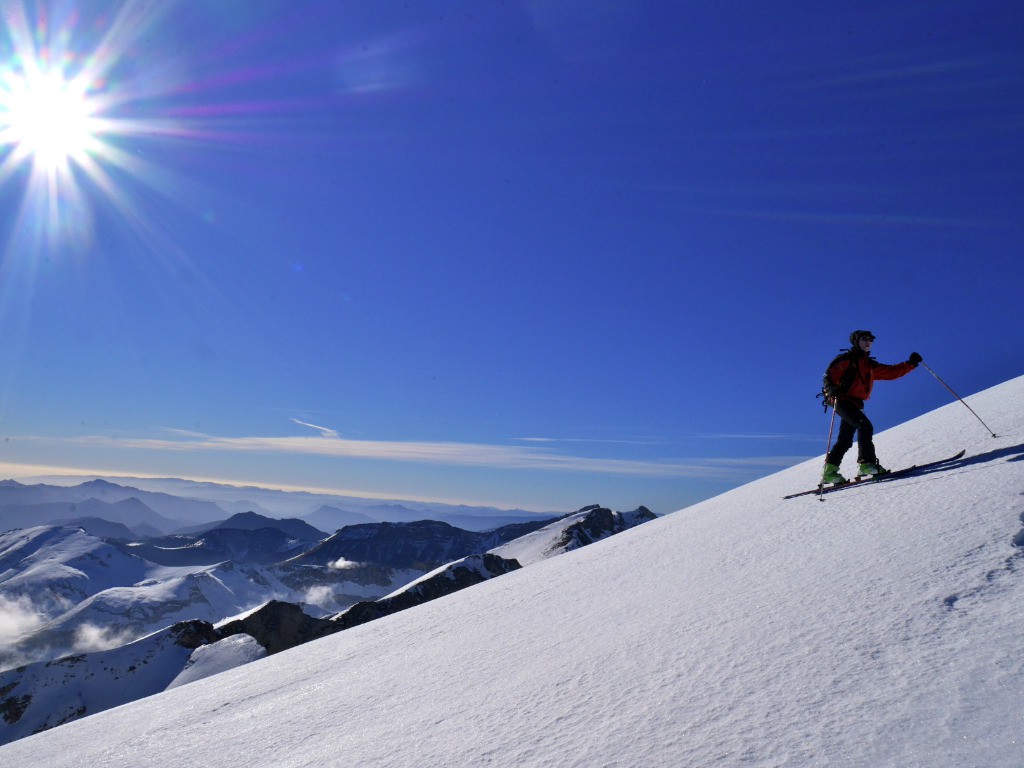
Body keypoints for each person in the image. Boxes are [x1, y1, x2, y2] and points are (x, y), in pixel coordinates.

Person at [821, 330, 922, 485]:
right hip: (841, 400)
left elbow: (890, 372)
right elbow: (830, 375)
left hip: (855, 403)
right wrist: (831, 389)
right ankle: (866, 464)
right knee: (864, 426)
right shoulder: (847, 359)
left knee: (845, 440)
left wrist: (910, 364)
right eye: (864, 339)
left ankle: (830, 472)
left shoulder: (869, 364)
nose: (868, 342)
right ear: (856, 342)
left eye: (870, 340)